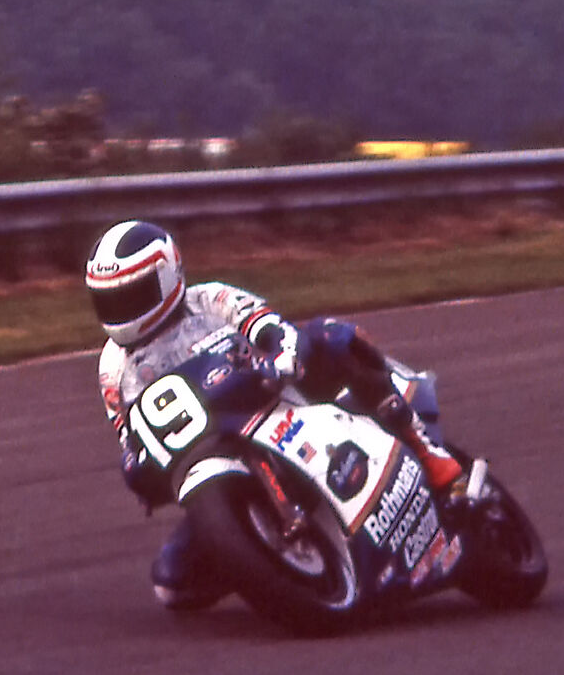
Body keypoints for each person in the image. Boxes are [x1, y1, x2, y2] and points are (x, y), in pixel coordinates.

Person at [86, 219, 462, 610]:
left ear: (167, 276)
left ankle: (422, 445)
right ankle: (257, 558)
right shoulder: (113, 366)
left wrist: (281, 352)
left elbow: (268, 325)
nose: (121, 310)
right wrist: (140, 467)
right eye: (108, 299)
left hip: (277, 397)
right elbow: (132, 432)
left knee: (328, 335)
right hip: (213, 449)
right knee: (172, 583)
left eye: (132, 294)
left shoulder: (211, 300)